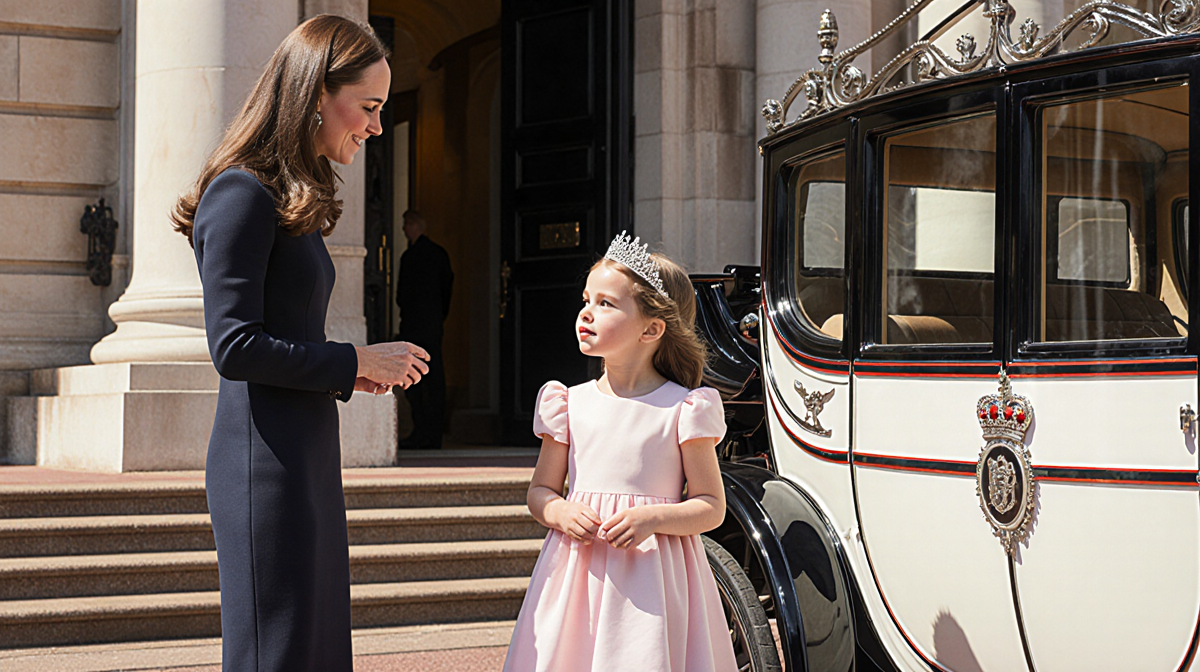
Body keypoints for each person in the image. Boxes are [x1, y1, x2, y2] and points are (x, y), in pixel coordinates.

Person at [170, 15, 430, 672]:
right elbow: (234, 347)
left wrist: (351, 374)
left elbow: (282, 337)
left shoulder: (291, 201)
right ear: (319, 93)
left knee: (314, 649)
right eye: (368, 107)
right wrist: (352, 360)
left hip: (304, 455)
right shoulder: (240, 193)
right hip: (263, 466)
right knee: (276, 654)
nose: (375, 126)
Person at [502, 232, 737, 671]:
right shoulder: (567, 403)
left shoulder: (684, 408)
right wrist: (559, 513)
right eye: (586, 299)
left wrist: (654, 518)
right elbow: (540, 491)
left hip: (653, 580)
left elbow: (711, 506)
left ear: (651, 328)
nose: (586, 313)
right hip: (578, 574)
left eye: (606, 304)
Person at [395, 209, 453, 449]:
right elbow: (447, 290)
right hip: (433, 326)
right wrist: (440, 316)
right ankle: (434, 433)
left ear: (415, 226)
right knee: (435, 378)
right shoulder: (440, 254)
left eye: (406, 225)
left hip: (414, 327)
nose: (404, 230)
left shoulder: (409, 257)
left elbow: (401, 296)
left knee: (414, 379)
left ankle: (421, 432)